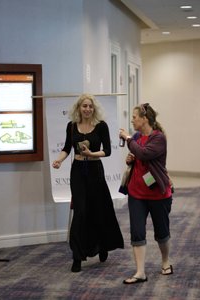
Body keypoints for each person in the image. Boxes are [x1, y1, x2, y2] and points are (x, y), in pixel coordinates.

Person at [52, 93, 124, 273]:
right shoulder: (71, 126)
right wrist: (59, 160)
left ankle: (102, 245)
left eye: (90, 106)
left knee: (99, 209)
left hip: (95, 171)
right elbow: (66, 148)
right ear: (79, 108)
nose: (87, 109)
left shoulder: (101, 126)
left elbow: (107, 151)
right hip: (77, 172)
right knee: (80, 212)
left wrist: (92, 154)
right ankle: (77, 256)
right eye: (84, 106)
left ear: (94, 108)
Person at [119, 103, 173, 284]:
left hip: (158, 194)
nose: (132, 120)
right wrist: (129, 160)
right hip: (136, 193)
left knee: (162, 232)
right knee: (137, 232)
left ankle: (165, 261)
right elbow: (137, 157)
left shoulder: (159, 138)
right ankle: (140, 272)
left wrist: (127, 139)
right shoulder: (136, 137)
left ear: (144, 119)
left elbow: (143, 154)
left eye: (134, 117)